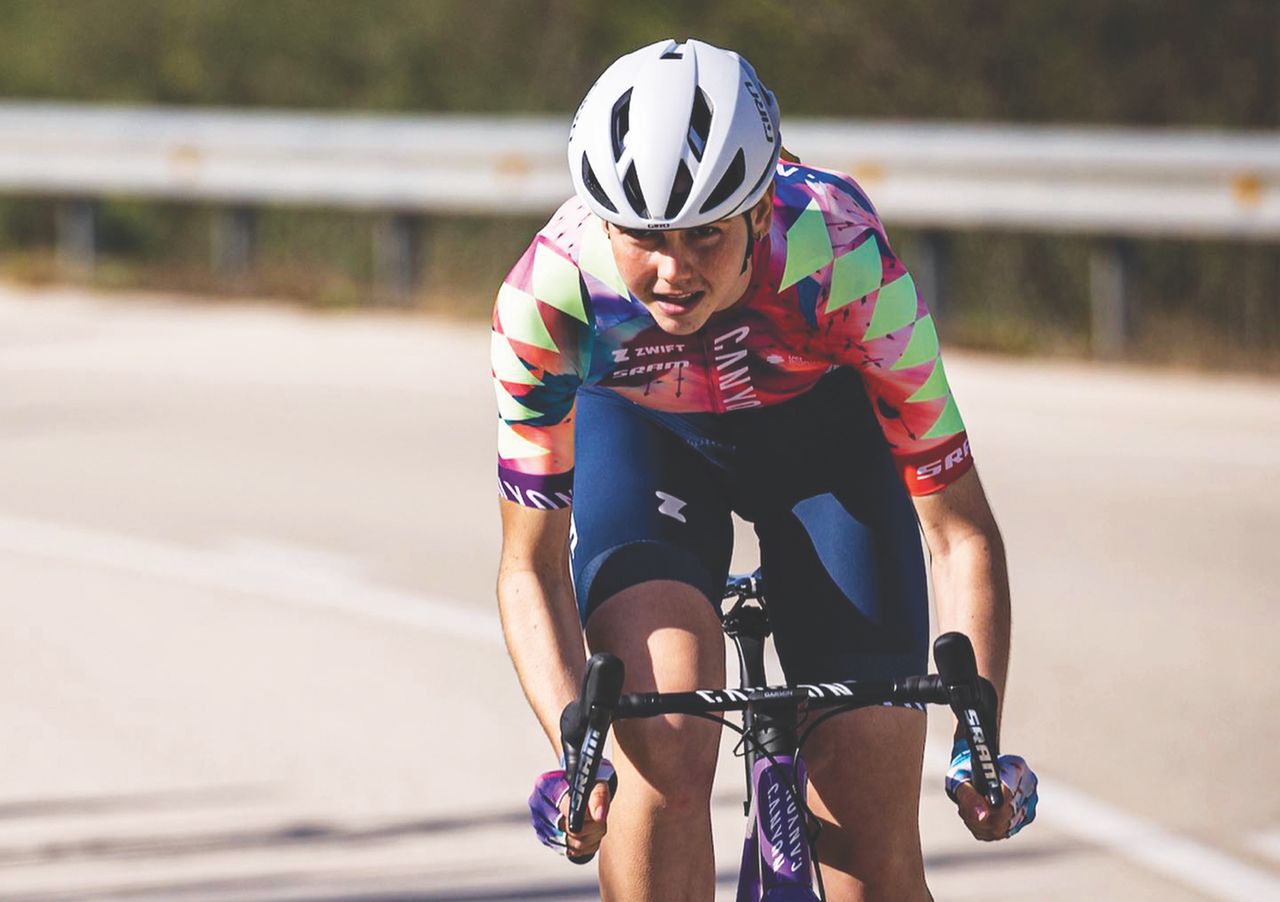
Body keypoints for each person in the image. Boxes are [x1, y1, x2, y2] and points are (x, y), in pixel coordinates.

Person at [494, 37, 1037, 901]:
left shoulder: (845, 259)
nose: (672, 272)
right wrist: (576, 748)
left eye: (705, 235)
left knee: (869, 815)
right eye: (640, 236)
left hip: (823, 445)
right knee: (659, 739)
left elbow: (959, 531)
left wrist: (979, 734)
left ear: (758, 210)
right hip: (647, 444)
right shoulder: (550, 300)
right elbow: (529, 563)